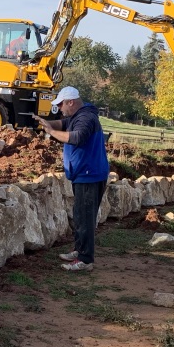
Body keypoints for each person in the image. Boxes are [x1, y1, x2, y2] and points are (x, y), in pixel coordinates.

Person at [31, 86, 109, 272]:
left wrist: (51, 132)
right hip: (84, 174)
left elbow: (77, 137)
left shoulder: (86, 118)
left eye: (61, 104)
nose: (59, 108)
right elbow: (63, 123)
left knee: (85, 218)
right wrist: (47, 123)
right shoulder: (78, 116)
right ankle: (79, 250)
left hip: (89, 175)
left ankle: (85, 260)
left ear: (71, 102)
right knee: (80, 216)